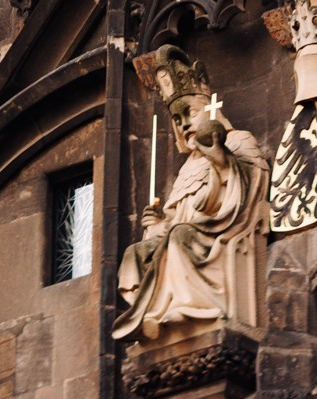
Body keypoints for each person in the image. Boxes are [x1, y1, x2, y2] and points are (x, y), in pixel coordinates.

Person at [113, 91, 268, 343]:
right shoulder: (188, 167)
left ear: (211, 109)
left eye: (191, 113)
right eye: (177, 120)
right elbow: (177, 216)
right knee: (136, 252)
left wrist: (221, 161)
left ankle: (189, 306)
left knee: (180, 235)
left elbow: (251, 188)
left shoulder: (239, 140)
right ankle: (151, 312)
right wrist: (158, 224)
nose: (184, 124)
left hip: (221, 229)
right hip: (188, 233)